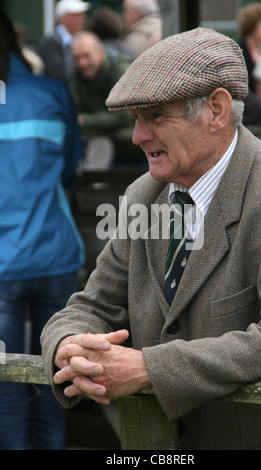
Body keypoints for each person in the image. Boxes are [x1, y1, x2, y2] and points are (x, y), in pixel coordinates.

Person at [41, 27, 261, 450]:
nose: (137, 136)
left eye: (156, 116)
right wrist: (69, 346)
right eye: (136, 119)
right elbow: (92, 305)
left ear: (216, 110)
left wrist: (148, 369)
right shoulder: (146, 194)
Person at [0, 12, 84, 449]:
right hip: (55, 254)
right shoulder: (53, 92)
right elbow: (70, 169)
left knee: (6, 385)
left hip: (3, 266)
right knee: (58, 379)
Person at [69, 31, 145, 166]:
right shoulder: (77, 79)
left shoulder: (121, 71)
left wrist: (85, 121)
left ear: (100, 52)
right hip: (113, 148)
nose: (82, 63)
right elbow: (74, 113)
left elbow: (127, 115)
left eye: (86, 56)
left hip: (141, 148)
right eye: (77, 58)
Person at [40, 0, 90, 82]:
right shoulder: (51, 42)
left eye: (83, 14)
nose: (82, 19)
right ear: (63, 18)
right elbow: (60, 75)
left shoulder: (83, 39)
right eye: (76, 15)